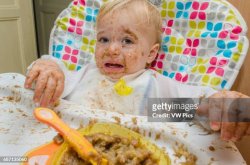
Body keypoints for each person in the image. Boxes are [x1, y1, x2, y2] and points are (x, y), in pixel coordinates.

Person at [24, 0, 250, 141]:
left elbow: (194, 109)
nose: (111, 49)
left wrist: (227, 107)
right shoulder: (85, 75)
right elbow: (47, 89)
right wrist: (48, 68)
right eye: (103, 39)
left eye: (127, 41)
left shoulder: (153, 91)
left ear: (151, 54)